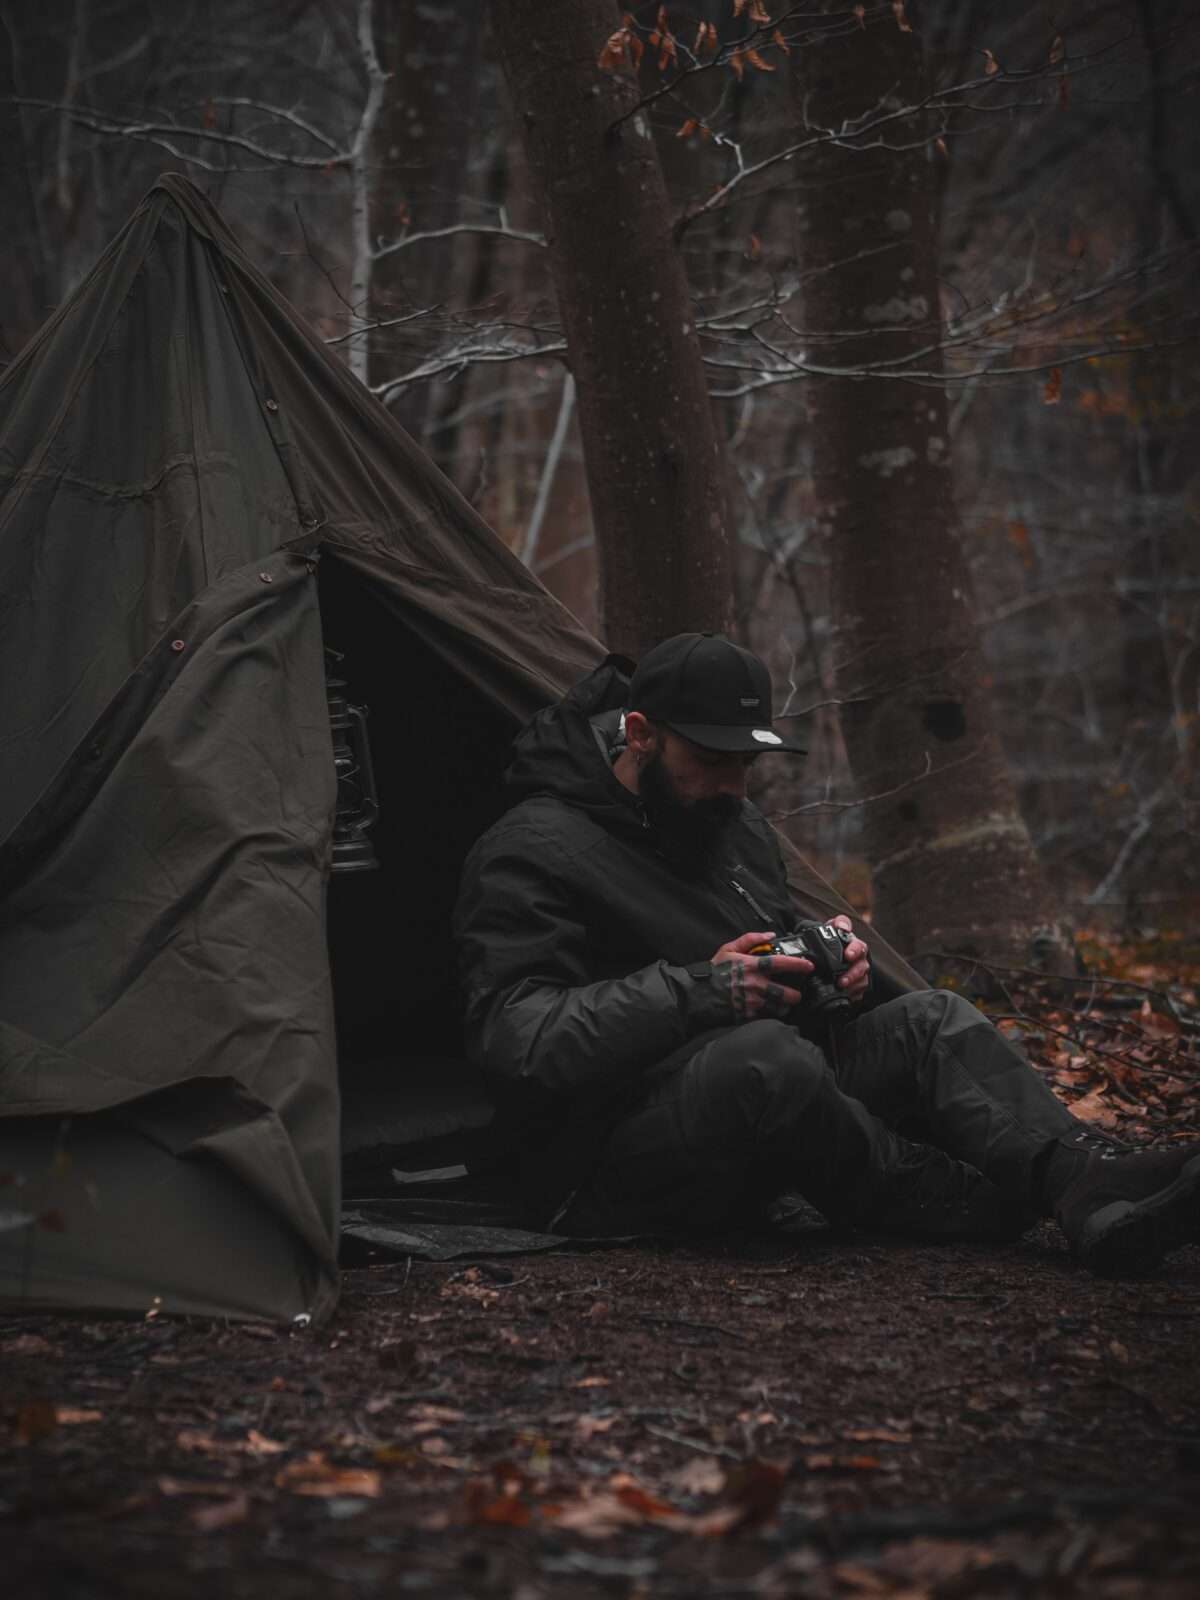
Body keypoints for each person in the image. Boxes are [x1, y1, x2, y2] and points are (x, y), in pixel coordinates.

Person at [453, 633, 1200, 1274]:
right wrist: (703, 991)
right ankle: (949, 1196)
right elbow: (516, 1035)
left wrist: (832, 976)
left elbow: (778, 971)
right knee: (765, 1061)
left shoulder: (728, 825)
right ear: (641, 733)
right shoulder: (532, 845)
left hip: (755, 1091)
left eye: (746, 763)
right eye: (711, 760)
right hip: (604, 1154)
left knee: (927, 1018)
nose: (732, 787)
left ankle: (1084, 1181)